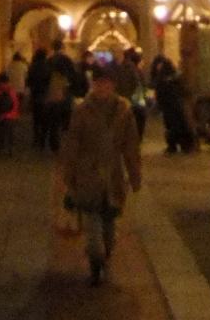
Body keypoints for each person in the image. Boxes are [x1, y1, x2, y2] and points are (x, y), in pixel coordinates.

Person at [58, 66, 142, 286]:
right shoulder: (82, 110)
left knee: (109, 229)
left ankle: (106, 255)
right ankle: (96, 263)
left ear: (113, 85)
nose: (102, 87)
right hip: (88, 175)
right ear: (93, 85)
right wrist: (69, 174)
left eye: (106, 83)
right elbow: (72, 143)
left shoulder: (123, 111)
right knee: (92, 227)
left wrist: (135, 175)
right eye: (98, 83)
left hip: (113, 176)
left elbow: (131, 146)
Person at [153, 60, 194, 154]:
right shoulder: (177, 78)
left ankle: (172, 146)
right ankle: (185, 146)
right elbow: (184, 91)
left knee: (170, 127)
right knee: (181, 125)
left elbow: (159, 94)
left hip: (168, 108)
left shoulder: (161, 80)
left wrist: (160, 106)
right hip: (177, 106)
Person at [43, 41, 78, 153]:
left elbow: (45, 78)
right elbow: (74, 76)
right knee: (66, 121)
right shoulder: (67, 60)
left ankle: (54, 145)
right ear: (62, 48)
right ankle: (65, 143)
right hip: (65, 93)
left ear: (53, 48)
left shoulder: (49, 61)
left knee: (54, 121)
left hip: (52, 94)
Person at [26, 48, 51, 150]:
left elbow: (28, 81)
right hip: (45, 95)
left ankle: (36, 138)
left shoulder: (32, 67)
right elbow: (50, 81)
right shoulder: (47, 67)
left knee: (36, 119)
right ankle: (42, 140)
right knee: (45, 119)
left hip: (35, 95)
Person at [0, 71, 20, 155]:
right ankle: (9, 148)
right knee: (9, 132)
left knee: (2, 132)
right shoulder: (11, 91)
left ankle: (1, 148)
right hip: (10, 116)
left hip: (3, 116)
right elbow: (16, 104)